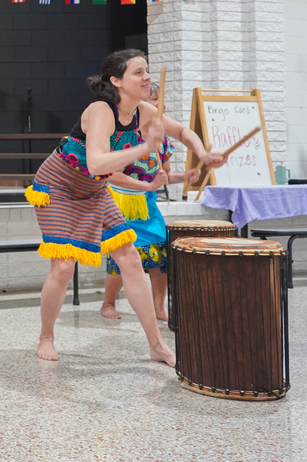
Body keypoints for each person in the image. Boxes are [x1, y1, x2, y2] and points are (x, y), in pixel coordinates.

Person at [26, 50, 223, 364]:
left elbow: (183, 132)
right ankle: (46, 336)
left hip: (95, 190)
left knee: (131, 258)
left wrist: (204, 153)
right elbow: (96, 162)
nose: (147, 77)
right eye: (138, 72)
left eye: (147, 71)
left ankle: (156, 345)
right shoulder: (101, 110)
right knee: (63, 267)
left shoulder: (144, 111)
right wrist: (146, 146)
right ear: (116, 81)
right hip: (59, 186)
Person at [100, 83, 203, 321]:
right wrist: (146, 185)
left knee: (159, 252)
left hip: (146, 204)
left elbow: (164, 176)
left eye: (160, 101)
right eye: (155, 100)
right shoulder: (124, 135)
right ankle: (108, 303)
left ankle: (158, 307)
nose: (160, 106)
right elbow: (111, 173)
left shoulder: (162, 140)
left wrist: (184, 177)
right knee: (122, 256)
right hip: (119, 201)